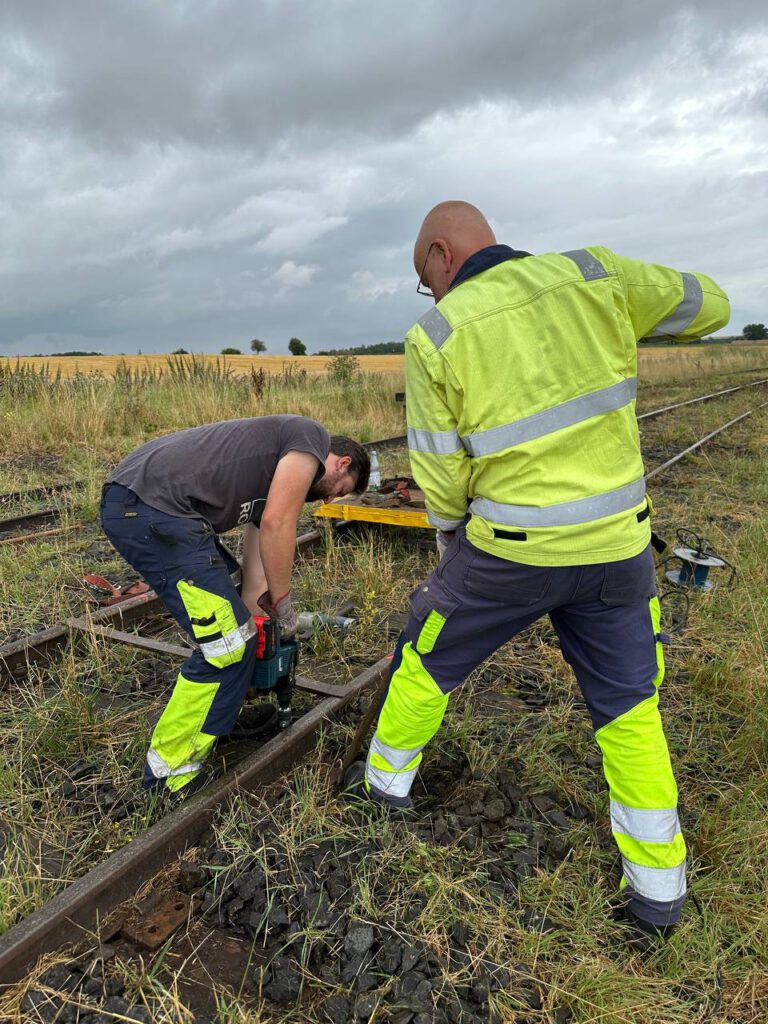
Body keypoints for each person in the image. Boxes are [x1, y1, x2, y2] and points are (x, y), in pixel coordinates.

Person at [349, 201, 730, 935]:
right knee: (629, 710)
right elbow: (710, 304)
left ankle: (381, 790)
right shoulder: (598, 275)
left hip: (511, 552)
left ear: (438, 254)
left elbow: (439, 473)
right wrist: (628, 314)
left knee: (426, 657)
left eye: (426, 282)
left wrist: (451, 550)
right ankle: (658, 896)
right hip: (620, 554)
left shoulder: (437, 333)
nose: (432, 297)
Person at [101, 415, 369, 797]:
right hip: (151, 506)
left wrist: (261, 624)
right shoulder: (310, 436)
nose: (328, 500)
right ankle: (169, 777)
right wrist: (286, 608)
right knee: (226, 648)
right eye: (340, 490)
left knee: (238, 633)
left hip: (156, 507)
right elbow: (279, 524)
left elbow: (255, 575)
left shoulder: (272, 475)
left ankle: (222, 712)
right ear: (342, 462)